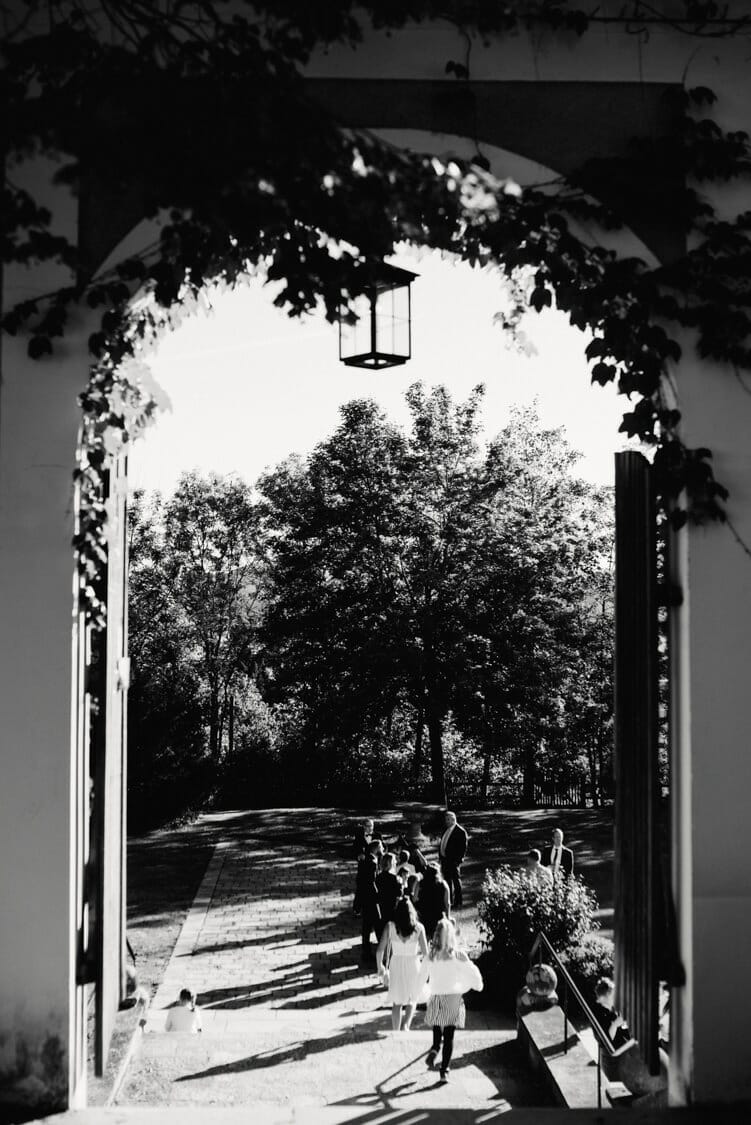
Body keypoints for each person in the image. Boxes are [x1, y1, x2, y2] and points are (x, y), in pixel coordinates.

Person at [422, 917, 483, 1083]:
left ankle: (435, 1047)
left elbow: (422, 976)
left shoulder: (431, 955)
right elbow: (472, 972)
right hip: (453, 997)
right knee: (449, 1035)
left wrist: (420, 992)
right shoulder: (458, 955)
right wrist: (476, 984)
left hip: (436, 996)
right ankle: (444, 1071)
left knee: (437, 1025)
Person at [375, 894, 429, 1030]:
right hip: (413, 964)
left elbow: (379, 950)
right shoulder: (418, 928)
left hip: (396, 965)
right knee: (413, 997)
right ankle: (406, 1025)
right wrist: (426, 971)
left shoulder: (390, 927)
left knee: (397, 1001)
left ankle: (395, 1030)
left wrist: (380, 966)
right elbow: (426, 954)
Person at [356, 839, 383, 962]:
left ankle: (366, 951)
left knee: (367, 925)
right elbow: (372, 881)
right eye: (381, 847)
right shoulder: (372, 862)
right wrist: (377, 894)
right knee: (377, 922)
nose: (382, 849)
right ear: (376, 848)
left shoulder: (365, 860)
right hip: (371, 897)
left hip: (364, 896)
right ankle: (381, 949)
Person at [438, 810, 468, 908]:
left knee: (456, 881)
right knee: (447, 881)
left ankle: (458, 902)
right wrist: (441, 857)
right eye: (445, 819)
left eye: (447, 819)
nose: (446, 821)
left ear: (453, 819)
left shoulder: (460, 831)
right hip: (445, 860)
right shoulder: (446, 830)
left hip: (453, 861)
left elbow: (463, 848)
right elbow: (442, 843)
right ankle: (449, 900)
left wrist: (458, 861)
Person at [592, 977, 631, 1049]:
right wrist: (615, 1025)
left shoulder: (613, 1008)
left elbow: (625, 1032)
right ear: (603, 998)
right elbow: (605, 1042)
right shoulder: (598, 1014)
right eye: (613, 996)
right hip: (613, 1053)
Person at [416, 862, 450, 940]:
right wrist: (447, 917)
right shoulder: (443, 884)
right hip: (438, 915)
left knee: (426, 937)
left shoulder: (420, 883)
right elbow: (447, 903)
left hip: (424, 914)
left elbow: (415, 899)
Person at [376, 852, 402, 938]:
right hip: (392, 905)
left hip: (382, 903)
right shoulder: (395, 878)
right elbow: (399, 893)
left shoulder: (378, 877)